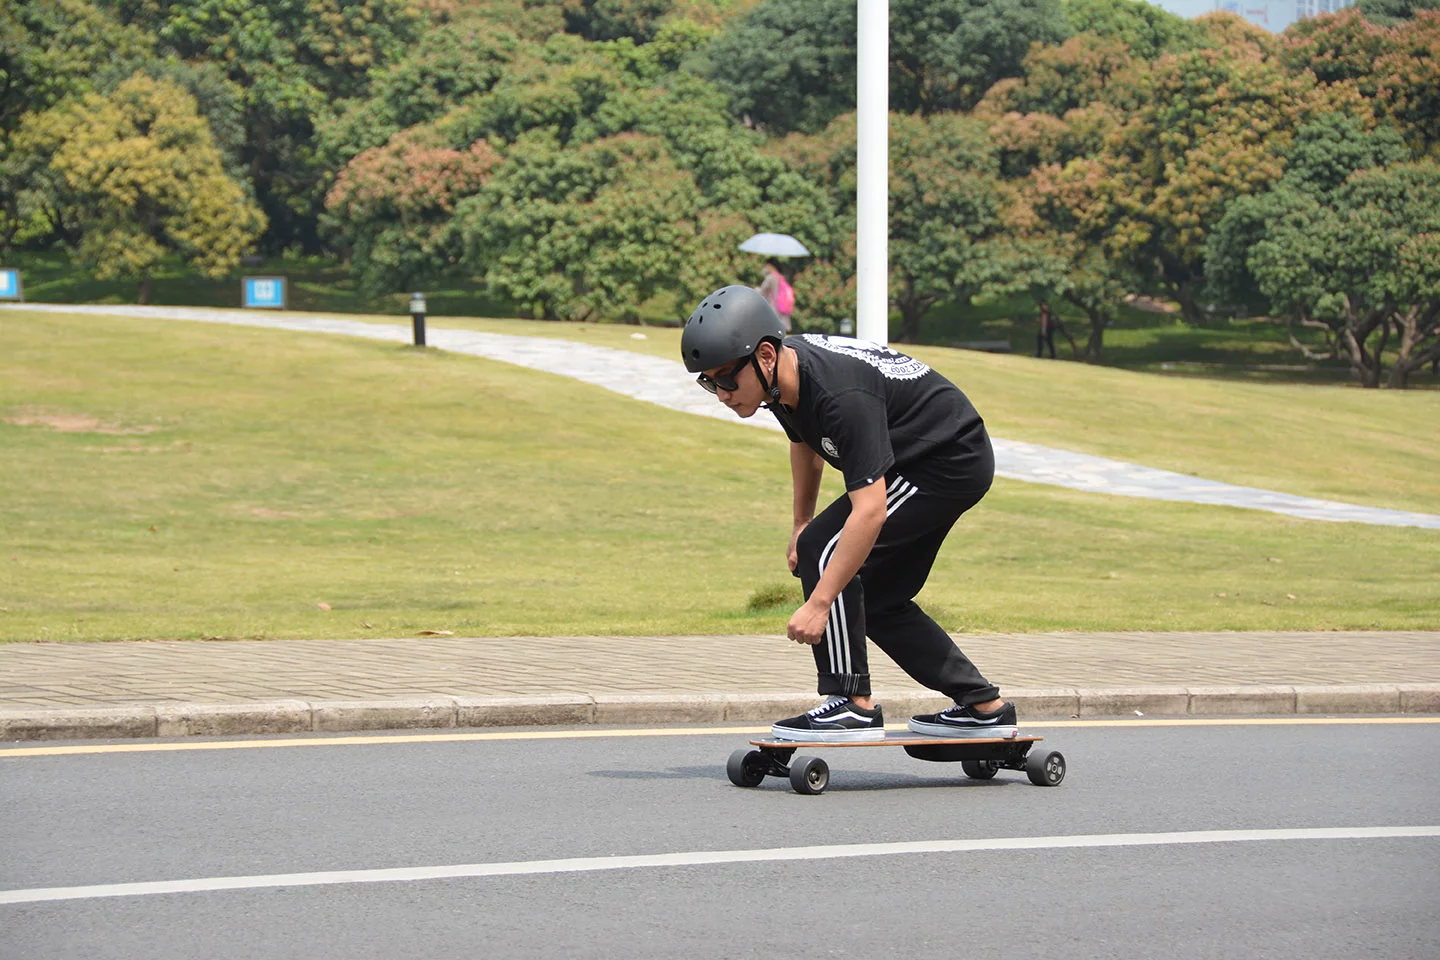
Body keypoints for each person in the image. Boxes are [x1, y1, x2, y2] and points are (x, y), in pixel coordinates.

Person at [681, 285, 1015, 742]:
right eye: (708, 381)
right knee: (873, 596)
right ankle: (984, 706)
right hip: (924, 455)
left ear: (762, 355)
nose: (720, 394)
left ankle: (851, 702)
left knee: (828, 551)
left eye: (725, 379)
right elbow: (803, 441)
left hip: (946, 461)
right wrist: (801, 523)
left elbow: (871, 512)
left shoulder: (839, 394)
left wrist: (819, 605)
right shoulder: (782, 377)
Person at [756, 261, 795, 333]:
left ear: (770, 266)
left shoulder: (770, 278)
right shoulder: (782, 277)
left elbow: (762, 291)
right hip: (782, 307)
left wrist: (756, 289)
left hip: (773, 308)